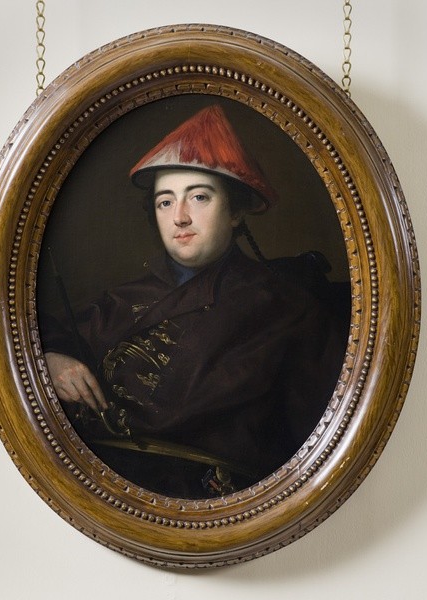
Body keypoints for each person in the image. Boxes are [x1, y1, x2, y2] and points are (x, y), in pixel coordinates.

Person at [41, 105, 348, 498]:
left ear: (236, 211)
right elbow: (44, 339)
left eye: (199, 197)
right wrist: (54, 357)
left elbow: (319, 444)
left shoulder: (286, 308)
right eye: (165, 202)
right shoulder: (124, 298)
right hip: (92, 486)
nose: (180, 218)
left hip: (209, 503)